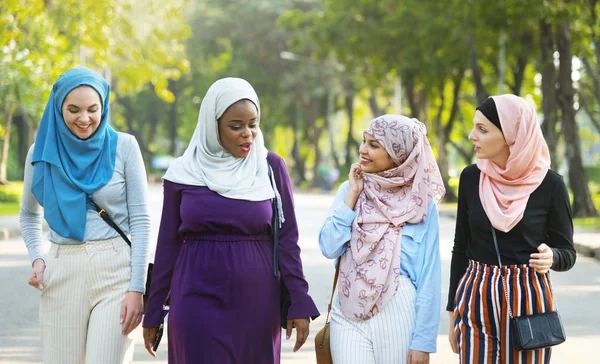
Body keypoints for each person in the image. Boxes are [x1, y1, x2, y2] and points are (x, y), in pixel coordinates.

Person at [142, 77, 319, 363]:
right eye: (235, 126)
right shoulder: (183, 172)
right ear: (213, 127)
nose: (247, 134)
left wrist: (299, 299)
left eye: (253, 124)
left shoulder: (270, 167)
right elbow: (168, 245)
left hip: (257, 301)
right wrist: (153, 311)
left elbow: (287, 240)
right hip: (194, 297)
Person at [19, 67, 151, 364]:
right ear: (58, 108)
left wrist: (137, 289)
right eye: (73, 109)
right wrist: (37, 258)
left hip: (116, 272)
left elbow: (141, 221)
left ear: (103, 107)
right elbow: (28, 214)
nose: (84, 118)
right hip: (62, 268)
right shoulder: (38, 154)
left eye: (93, 109)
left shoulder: (125, 147)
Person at [447, 94, 577, 363]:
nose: (472, 136)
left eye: (482, 130)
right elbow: (461, 248)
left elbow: (567, 252)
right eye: (474, 127)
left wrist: (551, 257)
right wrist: (452, 313)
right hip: (476, 297)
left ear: (511, 135)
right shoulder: (471, 178)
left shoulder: (551, 185)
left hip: (528, 300)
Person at [318, 115, 446, 364]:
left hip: (399, 311)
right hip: (348, 309)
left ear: (399, 154)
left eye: (374, 145)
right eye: (364, 141)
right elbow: (329, 247)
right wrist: (352, 196)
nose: (363, 150)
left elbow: (430, 276)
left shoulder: (422, 203)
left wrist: (423, 341)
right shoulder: (350, 189)